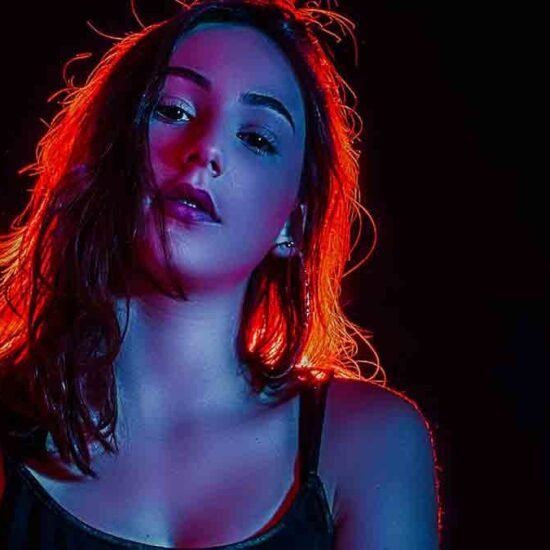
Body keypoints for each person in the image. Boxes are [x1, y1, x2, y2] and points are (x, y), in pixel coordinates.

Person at [0, 0, 440, 548]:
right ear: (102, 152)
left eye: (257, 139)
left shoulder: (370, 443)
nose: (206, 148)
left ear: (294, 224)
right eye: (172, 110)